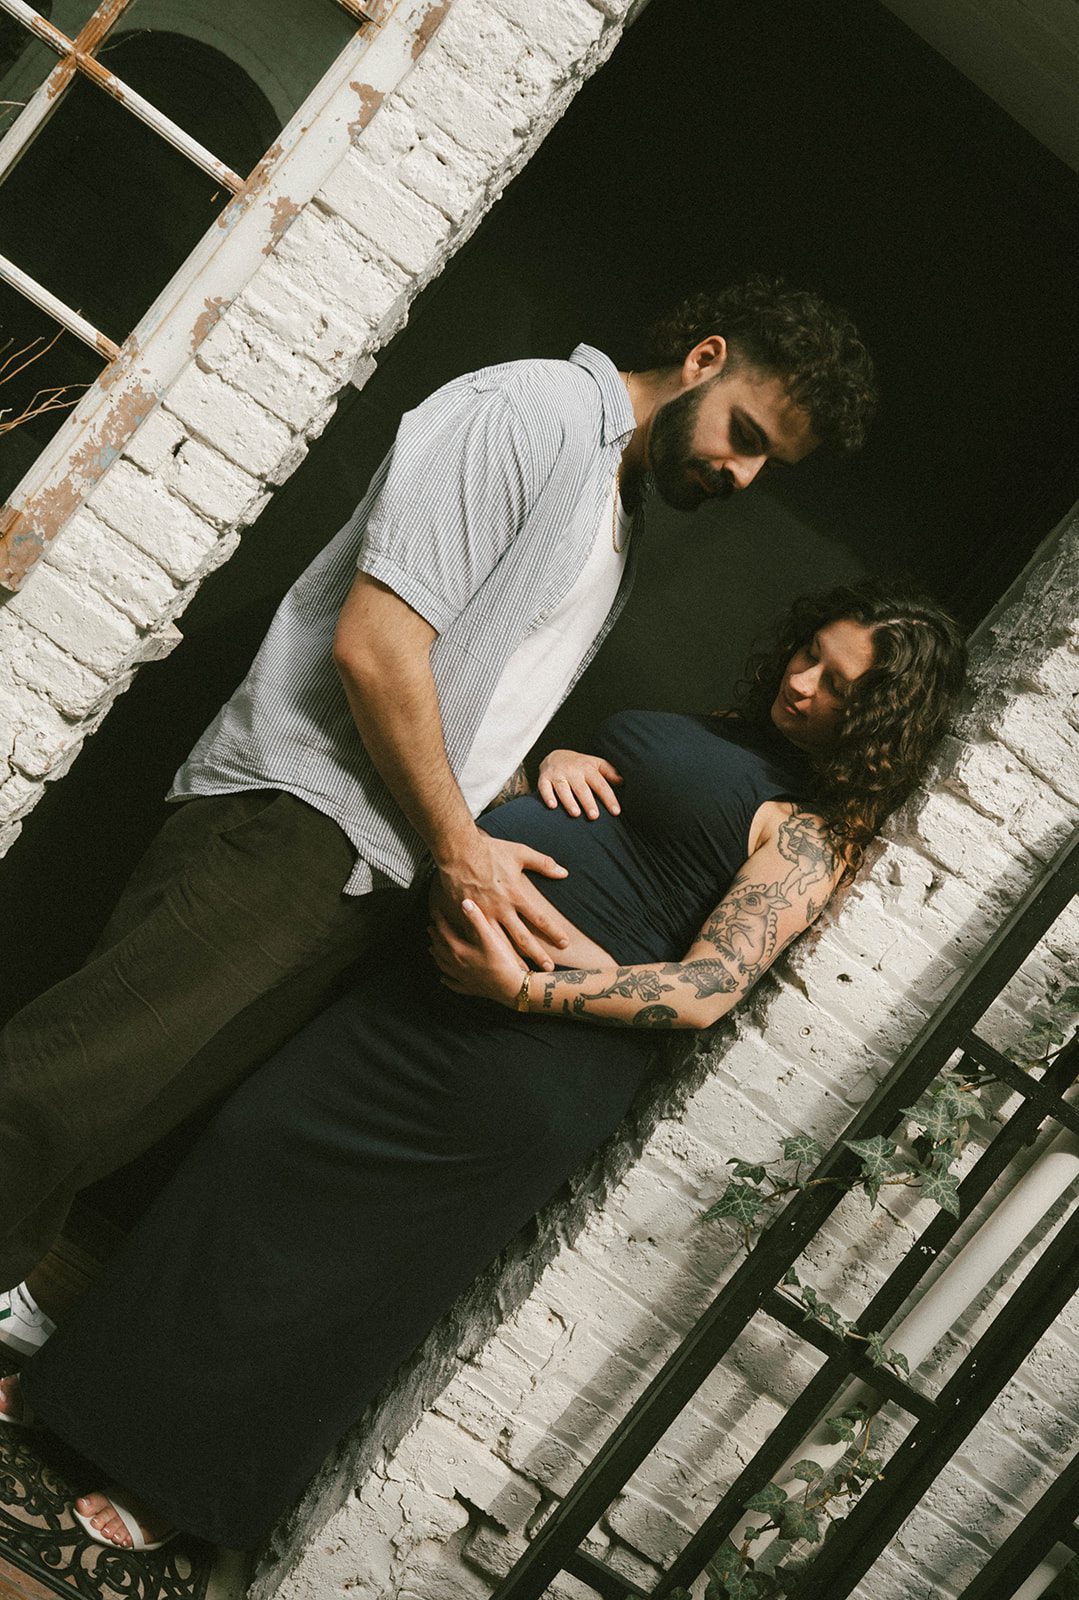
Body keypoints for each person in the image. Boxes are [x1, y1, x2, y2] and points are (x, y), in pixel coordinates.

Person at [0, 582, 966, 1553]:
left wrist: (521, 986)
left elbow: (705, 988)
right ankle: (78, 1395)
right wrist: (549, 767)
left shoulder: (811, 834)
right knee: (247, 1151)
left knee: (337, 1275)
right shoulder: (725, 733)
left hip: (523, 1062)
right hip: (420, 1000)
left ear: (879, 722)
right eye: (807, 653)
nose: (801, 683)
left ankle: (175, 1485)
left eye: (837, 686)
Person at [0, 278, 878, 1343]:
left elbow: (470, 690)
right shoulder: (533, 415)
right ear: (703, 358)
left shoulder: (614, 506)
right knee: (65, 1081)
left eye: (766, 465)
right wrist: (463, 847)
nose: (739, 473)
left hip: (374, 857)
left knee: (124, 1108)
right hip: (298, 819)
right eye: (743, 434)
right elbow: (376, 647)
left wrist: (521, 777)